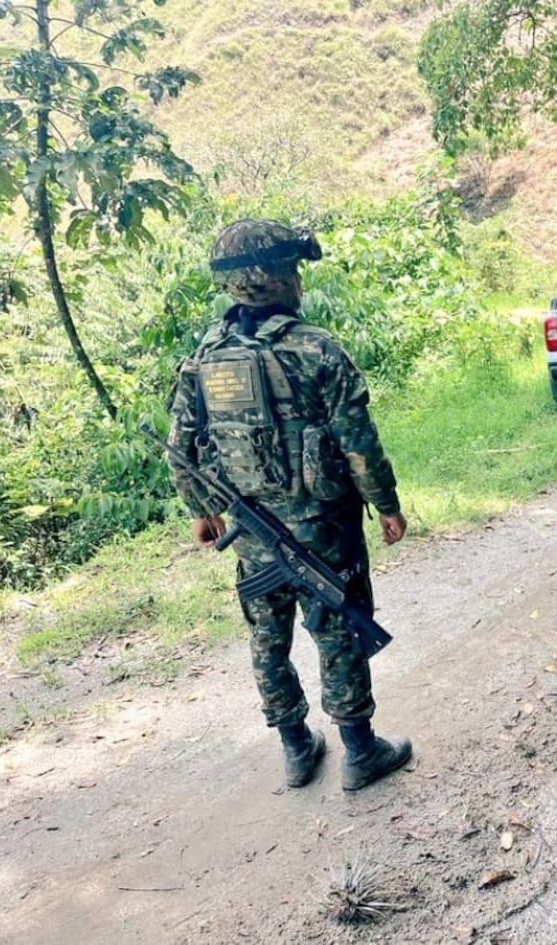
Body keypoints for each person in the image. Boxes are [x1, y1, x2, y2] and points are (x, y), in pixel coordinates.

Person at [165, 218, 412, 792]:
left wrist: (202, 511)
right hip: (323, 523)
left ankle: (297, 749)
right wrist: (386, 504)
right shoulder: (316, 348)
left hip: (251, 530)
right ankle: (359, 751)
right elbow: (357, 440)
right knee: (338, 626)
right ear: (284, 276)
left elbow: (181, 446)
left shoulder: (203, 358)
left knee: (267, 634)